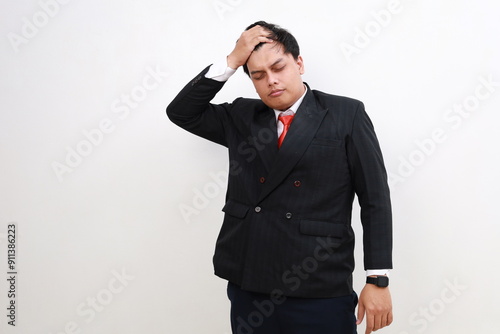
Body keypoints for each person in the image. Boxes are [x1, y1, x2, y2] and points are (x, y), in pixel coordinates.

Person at [167, 21, 393, 334]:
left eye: (278, 67)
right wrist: (232, 60)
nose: (271, 81)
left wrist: (377, 279)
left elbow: (375, 199)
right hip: (251, 282)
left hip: (319, 283)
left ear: (298, 64)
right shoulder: (242, 116)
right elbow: (182, 112)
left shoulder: (346, 114)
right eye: (258, 75)